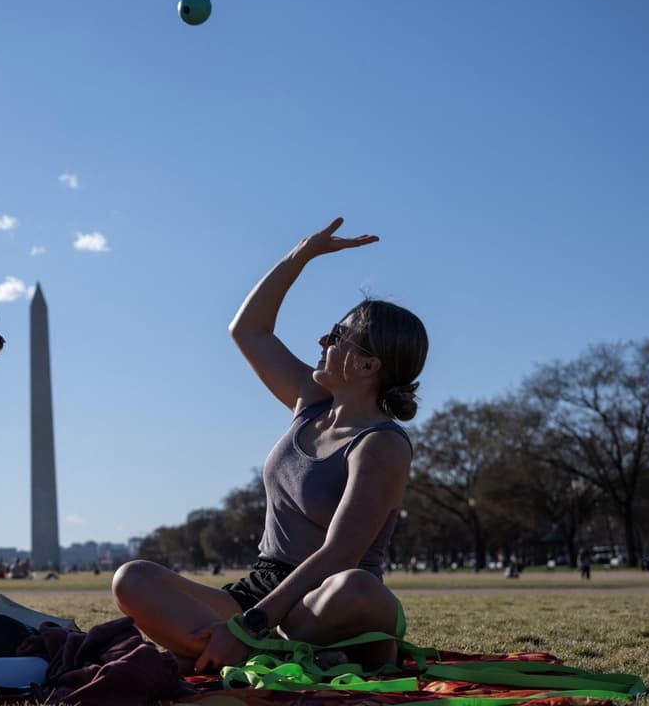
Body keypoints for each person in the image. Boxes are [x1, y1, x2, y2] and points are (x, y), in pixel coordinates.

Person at [113, 218, 428, 674]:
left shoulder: (381, 444)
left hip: (325, 598)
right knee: (133, 578)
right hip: (263, 588)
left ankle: (252, 649)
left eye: (336, 336)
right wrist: (300, 257)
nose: (322, 341)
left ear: (367, 365)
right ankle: (283, 656)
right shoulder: (310, 402)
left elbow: (341, 552)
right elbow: (248, 330)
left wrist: (250, 625)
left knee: (358, 588)